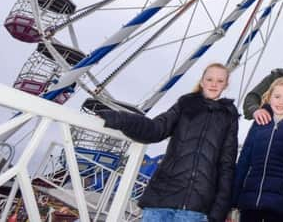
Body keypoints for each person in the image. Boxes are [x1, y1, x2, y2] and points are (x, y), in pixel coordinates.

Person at [97, 63, 238, 222]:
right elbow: (155, 129)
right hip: (161, 199)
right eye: (210, 79)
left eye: (220, 81)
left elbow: (227, 165)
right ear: (202, 81)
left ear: (226, 85)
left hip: (196, 208)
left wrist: (219, 211)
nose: (214, 84)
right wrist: (118, 118)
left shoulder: (228, 117)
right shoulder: (185, 105)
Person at [233, 78, 283, 222]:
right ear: (269, 97)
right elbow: (244, 159)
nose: (281, 102)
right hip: (251, 198)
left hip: (279, 201)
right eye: (277, 97)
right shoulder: (260, 122)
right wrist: (234, 194)